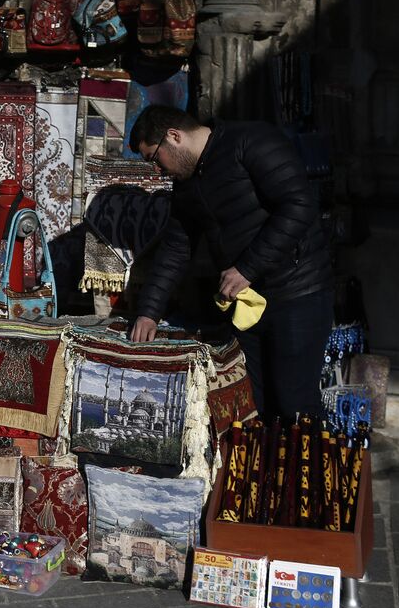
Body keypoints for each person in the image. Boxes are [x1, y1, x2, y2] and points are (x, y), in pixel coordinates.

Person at [126, 105, 332, 418]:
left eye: (155, 158)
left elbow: (299, 205)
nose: (158, 171)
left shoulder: (251, 141)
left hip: (297, 293)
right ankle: (260, 468)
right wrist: (149, 312)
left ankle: (305, 468)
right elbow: (176, 248)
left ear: (174, 136)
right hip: (246, 305)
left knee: (295, 406)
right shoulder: (186, 185)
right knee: (251, 405)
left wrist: (248, 268)